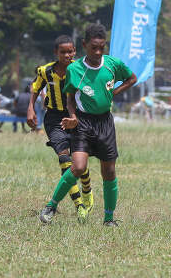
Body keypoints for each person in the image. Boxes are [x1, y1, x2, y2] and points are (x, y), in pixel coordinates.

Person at [38, 24, 137, 226]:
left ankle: (108, 219)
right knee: (78, 167)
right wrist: (73, 116)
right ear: (84, 45)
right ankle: (51, 206)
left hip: (105, 123)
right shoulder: (75, 70)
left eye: (102, 47)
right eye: (94, 47)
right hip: (83, 123)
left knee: (109, 172)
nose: (98, 52)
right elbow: (70, 99)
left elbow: (132, 78)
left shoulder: (112, 64)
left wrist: (114, 93)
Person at [29, 35, 94, 221]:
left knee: (79, 163)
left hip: (77, 117)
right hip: (54, 118)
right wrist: (30, 109)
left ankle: (88, 190)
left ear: (75, 51)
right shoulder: (45, 71)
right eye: (63, 52)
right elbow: (34, 89)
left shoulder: (81, 69)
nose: (67, 55)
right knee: (65, 159)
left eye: (71, 51)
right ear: (56, 53)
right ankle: (79, 204)